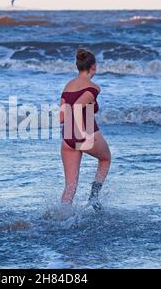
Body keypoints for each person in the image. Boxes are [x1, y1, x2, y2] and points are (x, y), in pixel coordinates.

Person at [60, 49, 112, 211]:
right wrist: (82, 132)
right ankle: (94, 198)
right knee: (105, 159)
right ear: (93, 67)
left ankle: (62, 216)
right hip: (85, 134)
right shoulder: (93, 88)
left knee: (70, 187)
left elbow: (62, 117)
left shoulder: (68, 86)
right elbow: (76, 107)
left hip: (67, 138)